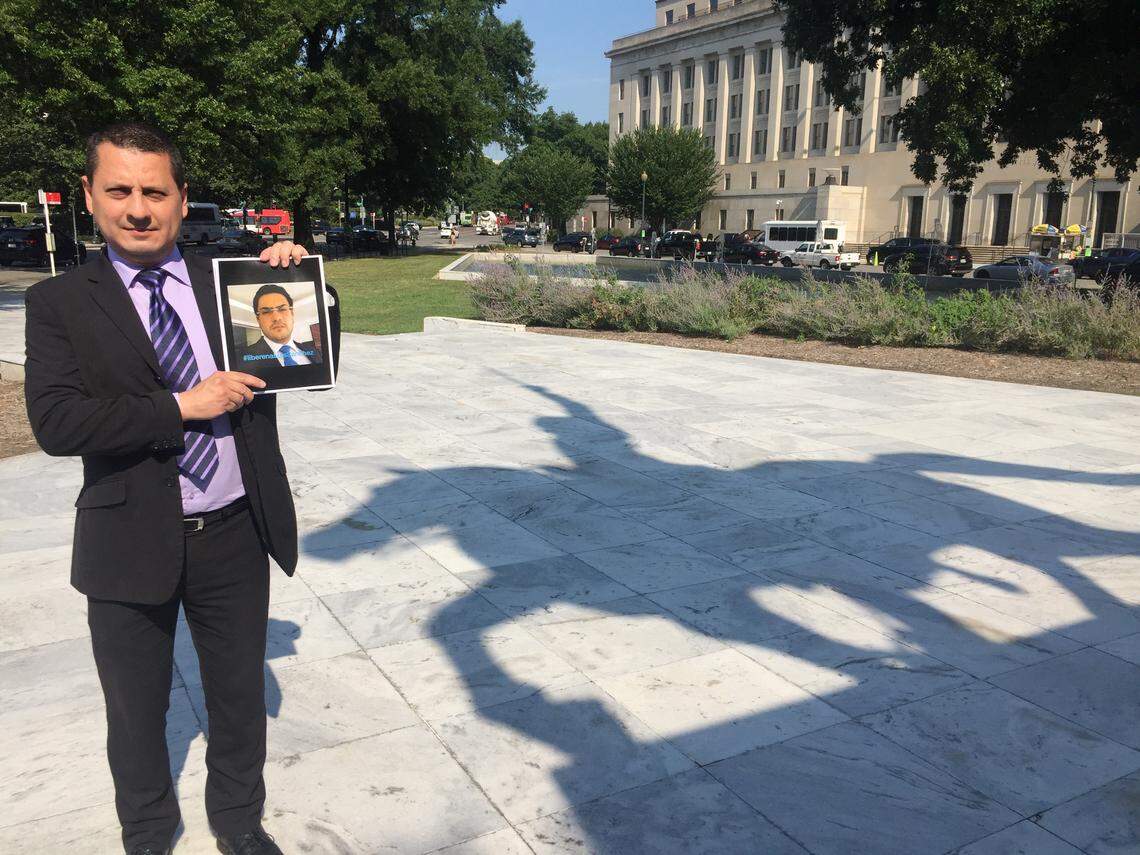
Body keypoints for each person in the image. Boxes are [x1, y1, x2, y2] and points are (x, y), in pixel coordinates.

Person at [22, 122, 328, 855]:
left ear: (181, 198)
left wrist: (294, 276)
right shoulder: (59, 302)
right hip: (127, 534)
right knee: (135, 707)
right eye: (119, 190)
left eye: (153, 191)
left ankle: (239, 820)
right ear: (90, 196)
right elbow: (57, 421)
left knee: (236, 693)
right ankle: (149, 831)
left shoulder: (230, 280)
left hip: (232, 528)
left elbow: (303, 349)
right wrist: (180, 407)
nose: (137, 207)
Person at [239, 284, 322, 367]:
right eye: (266, 312)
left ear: (292, 313)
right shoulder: (241, 360)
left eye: (282, 309)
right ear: (258, 320)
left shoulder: (314, 351)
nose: (276, 318)